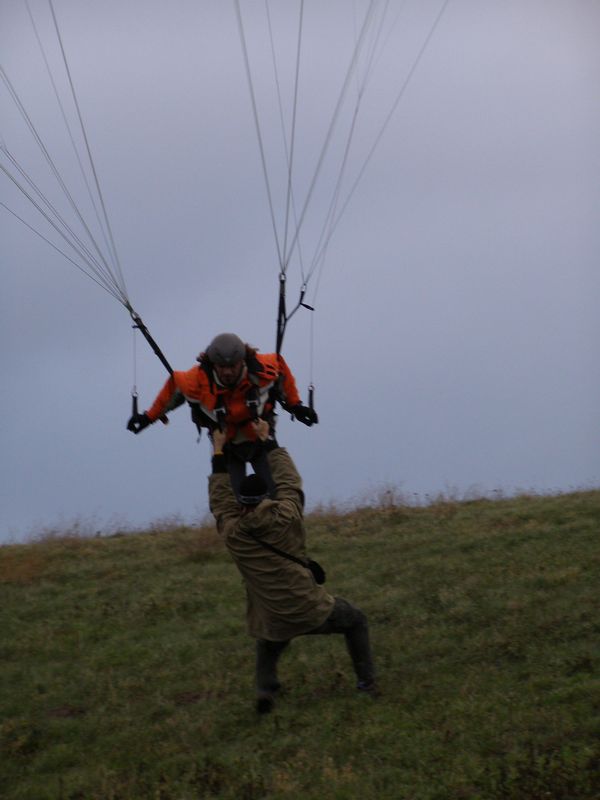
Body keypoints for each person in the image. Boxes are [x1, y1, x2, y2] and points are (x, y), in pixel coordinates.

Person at [209, 419, 376, 713]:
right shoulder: (287, 513)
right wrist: (268, 440)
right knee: (356, 620)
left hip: (271, 613)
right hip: (307, 606)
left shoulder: (233, 533)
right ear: (265, 497)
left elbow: (220, 501)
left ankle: (265, 690)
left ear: (241, 502)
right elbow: (289, 482)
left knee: (271, 638)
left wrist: (218, 450)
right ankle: (366, 683)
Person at [127, 332, 318, 496]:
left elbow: (282, 374)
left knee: (279, 493)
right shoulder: (194, 381)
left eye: (232, 366)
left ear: (242, 360)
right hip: (227, 447)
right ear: (213, 364)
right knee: (232, 501)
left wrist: (296, 406)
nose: (227, 372)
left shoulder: (264, 369)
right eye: (221, 367)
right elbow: (172, 390)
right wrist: (148, 418)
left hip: (262, 440)